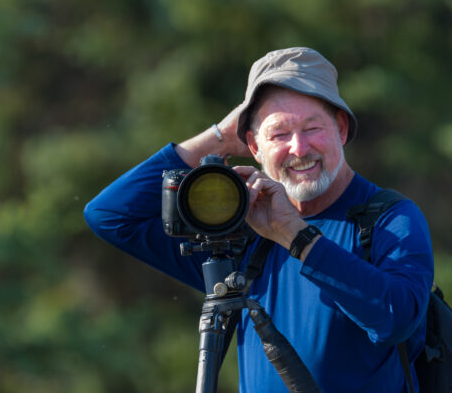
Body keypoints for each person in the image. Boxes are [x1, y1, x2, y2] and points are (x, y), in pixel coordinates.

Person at [84, 47, 434, 392]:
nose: (298, 148)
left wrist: (296, 237)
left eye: (313, 128)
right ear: (252, 146)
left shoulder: (390, 219)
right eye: (279, 134)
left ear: (341, 129)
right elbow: (111, 215)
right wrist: (219, 137)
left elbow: (396, 319)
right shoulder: (245, 230)